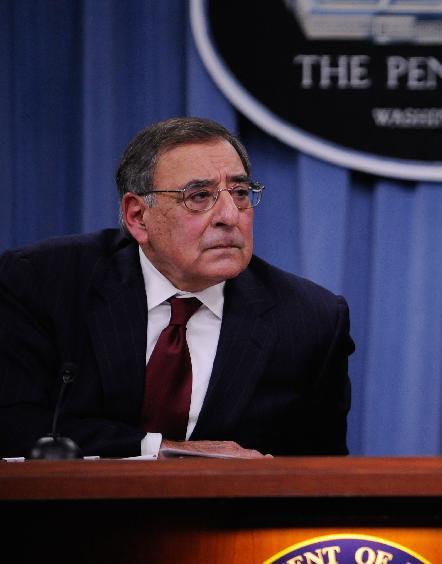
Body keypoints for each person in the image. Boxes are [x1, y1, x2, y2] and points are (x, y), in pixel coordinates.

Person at [0, 117, 353, 459]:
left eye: (241, 193)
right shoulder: (42, 282)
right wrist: (160, 449)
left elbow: (317, 474)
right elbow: (13, 422)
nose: (229, 215)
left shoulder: (310, 321)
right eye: (199, 196)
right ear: (138, 216)